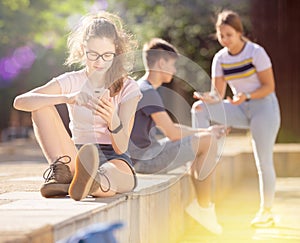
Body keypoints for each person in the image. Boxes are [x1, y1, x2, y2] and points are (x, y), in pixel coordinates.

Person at [13, 12, 142, 201]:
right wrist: (67, 98)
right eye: (93, 54)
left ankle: (91, 180)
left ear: (117, 51)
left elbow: (121, 146)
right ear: (83, 49)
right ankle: (67, 173)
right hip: (75, 155)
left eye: (107, 55)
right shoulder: (71, 81)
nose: (99, 62)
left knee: (110, 177)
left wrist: (112, 118)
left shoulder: (128, 87)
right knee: (41, 105)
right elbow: (21, 101)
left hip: (114, 157)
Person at [191, 10, 281, 227]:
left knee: (263, 160)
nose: (225, 40)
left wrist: (247, 95)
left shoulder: (255, 52)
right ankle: (203, 152)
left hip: (264, 108)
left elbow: (269, 87)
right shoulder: (220, 59)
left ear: (239, 32)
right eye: (221, 36)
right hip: (239, 108)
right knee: (199, 108)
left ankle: (266, 212)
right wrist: (208, 97)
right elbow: (218, 95)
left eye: (229, 35)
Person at [129, 38, 227, 235]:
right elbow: (173, 134)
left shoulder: (144, 88)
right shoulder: (147, 91)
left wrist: (203, 132)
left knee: (205, 139)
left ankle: (202, 207)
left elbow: (170, 127)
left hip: (145, 154)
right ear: (162, 63)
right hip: (144, 161)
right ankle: (204, 208)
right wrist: (206, 134)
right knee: (208, 141)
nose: (174, 71)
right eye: (173, 65)